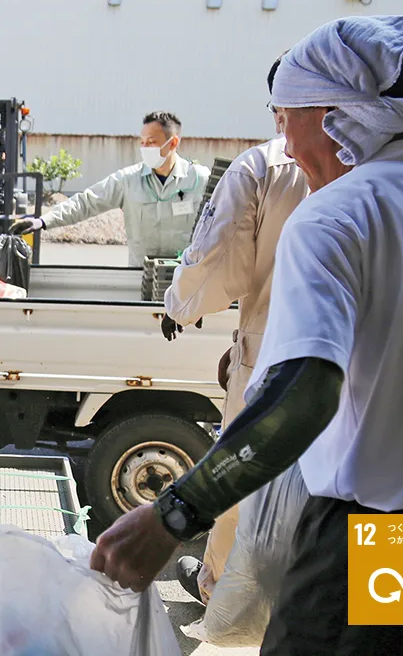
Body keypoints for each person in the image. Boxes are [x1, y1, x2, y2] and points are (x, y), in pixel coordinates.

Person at [89, 9, 403, 656]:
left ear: (333, 116)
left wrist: (173, 515)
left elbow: (305, 394)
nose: (282, 141)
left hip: (395, 532)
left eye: (286, 120)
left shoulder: (335, 215)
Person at [160, 57, 311, 606]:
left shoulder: (269, 167)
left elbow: (215, 262)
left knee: (244, 474)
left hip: (274, 354)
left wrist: (179, 305)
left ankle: (220, 588)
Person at [9, 111, 210, 265]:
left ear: (173, 142)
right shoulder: (128, 180)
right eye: (143, 142)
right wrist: (44, 221)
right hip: (141, 280)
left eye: (152, 142)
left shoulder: (199, 180)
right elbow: (87, 202)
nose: (145, 148)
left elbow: (226, 221)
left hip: (186, 282)